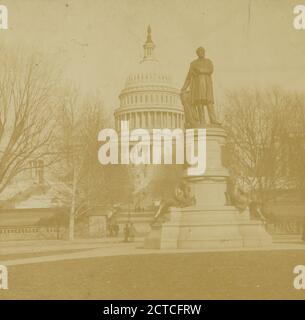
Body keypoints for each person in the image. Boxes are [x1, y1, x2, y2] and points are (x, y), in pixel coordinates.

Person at [181, 47, 220, 126]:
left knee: (209, 103)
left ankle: (213, 120)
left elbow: (210, 70)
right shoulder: (193, 64)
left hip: (206, 85)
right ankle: (202, 121)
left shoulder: (208, 62)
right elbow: (189, 77)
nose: (201, 53)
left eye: (202, 51)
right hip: (197, 87)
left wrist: (200, 70)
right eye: (199, 51)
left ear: (204, 52)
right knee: (199, 103)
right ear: (197, 53)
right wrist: (184, 88)